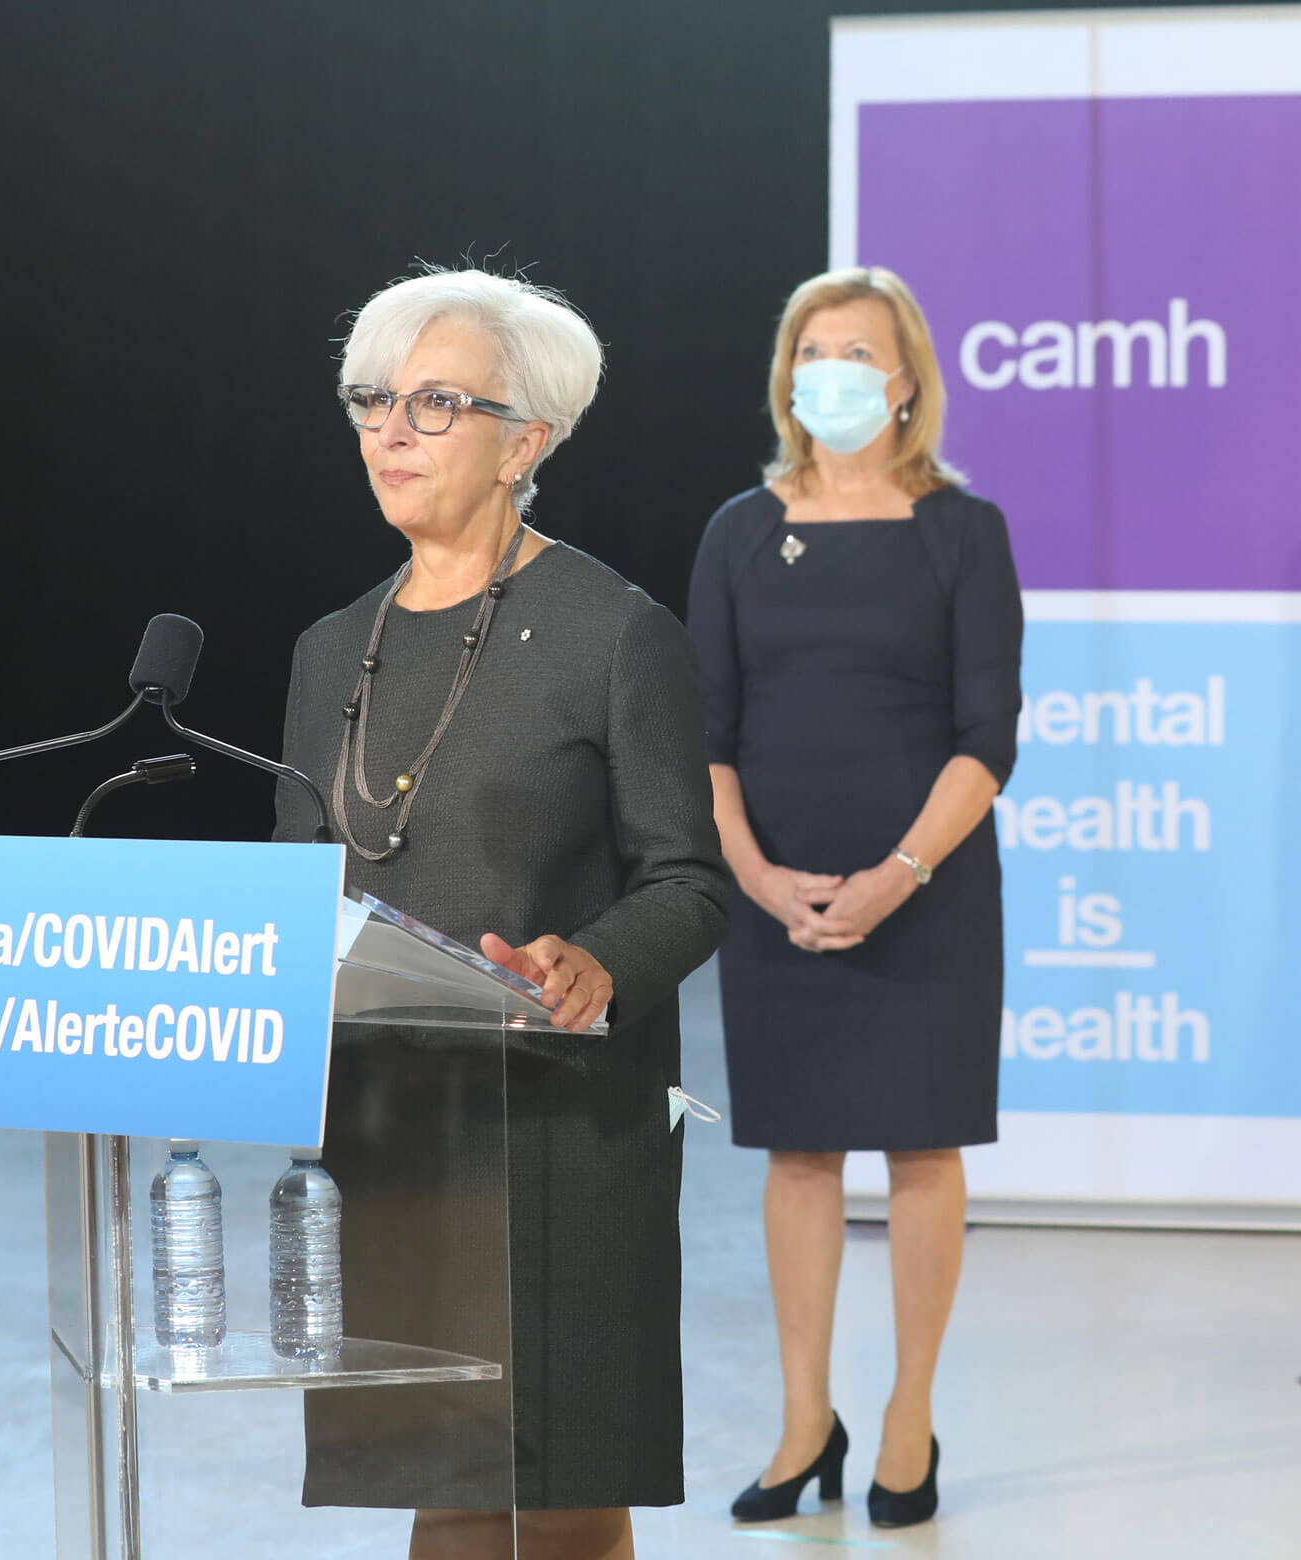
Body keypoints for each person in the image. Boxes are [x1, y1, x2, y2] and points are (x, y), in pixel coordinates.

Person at [274, 267, 732, 1560]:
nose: (389, 432)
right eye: (372, 400)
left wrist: (593, 960)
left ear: (526, 440)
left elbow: (689, 881)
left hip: (561, 1131)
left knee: (563, 1484)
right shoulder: (328, 649)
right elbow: (299, 877)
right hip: (392, 1125)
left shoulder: (613, 634)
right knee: (443, 1474)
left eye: (433, 404)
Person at [688, 266, 1021, 1531]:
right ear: (789, 378)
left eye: (855, 349)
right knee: (799, 1150)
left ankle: (906, 1417)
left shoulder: (962, 530)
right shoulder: (736, 529)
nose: (828, 369)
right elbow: (704, 733)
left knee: (922, 1145)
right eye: (808, 349)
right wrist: (759, 878)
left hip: (925, 886)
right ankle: (801, 1418)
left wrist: (896, 879)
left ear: (905, 379)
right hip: (775, 891)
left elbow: (988, 736)